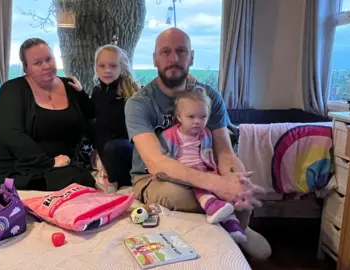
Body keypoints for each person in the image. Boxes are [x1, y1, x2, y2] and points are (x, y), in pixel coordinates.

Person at [124, 28, 271, 260]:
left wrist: (235, 180)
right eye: (165, 52)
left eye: (181, 51)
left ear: (191, 57)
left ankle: (239, 226)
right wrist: (217, 184)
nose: (173, 59)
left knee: (239, 181)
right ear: (154, 59)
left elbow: (224, 152)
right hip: (153, 177)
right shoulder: (139, 103)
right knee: (178, 196)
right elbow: (156, 161)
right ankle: (225, 227)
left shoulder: (209, 96)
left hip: (204, 167)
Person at [0, 38, 96, 197]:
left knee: (80, 179)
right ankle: (17, 184)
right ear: (26, 68)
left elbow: (91, 114)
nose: (46, 66)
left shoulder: (70, 86)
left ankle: (19, 185)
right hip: (11, 157)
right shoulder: (13, 88)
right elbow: (11, 133)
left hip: (58, 161)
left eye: (49, 59)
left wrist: (82, 93)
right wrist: (48, 162)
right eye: (37, 63)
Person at [161, 87, 246, 243]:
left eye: (203, 116)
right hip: (184, 174)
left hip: (206, 170)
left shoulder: (206, 133)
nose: (197, 121)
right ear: (179, 117)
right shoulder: (169, 135)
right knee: (201, 187)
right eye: (191, 117)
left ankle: (233, 226)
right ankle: (212, 206)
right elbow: (163, 159)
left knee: (225, 190)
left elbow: (210, 155)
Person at [90, 44, 140, 189]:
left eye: (113, 66)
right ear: (96, 68)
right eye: (102, 66)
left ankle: (112, 183)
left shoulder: (131, 93)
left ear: (122, 67)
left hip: (125, 152)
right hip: (104, 151)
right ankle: (105, 172)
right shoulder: (97, 91)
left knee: (113, 146)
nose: (107, 70)